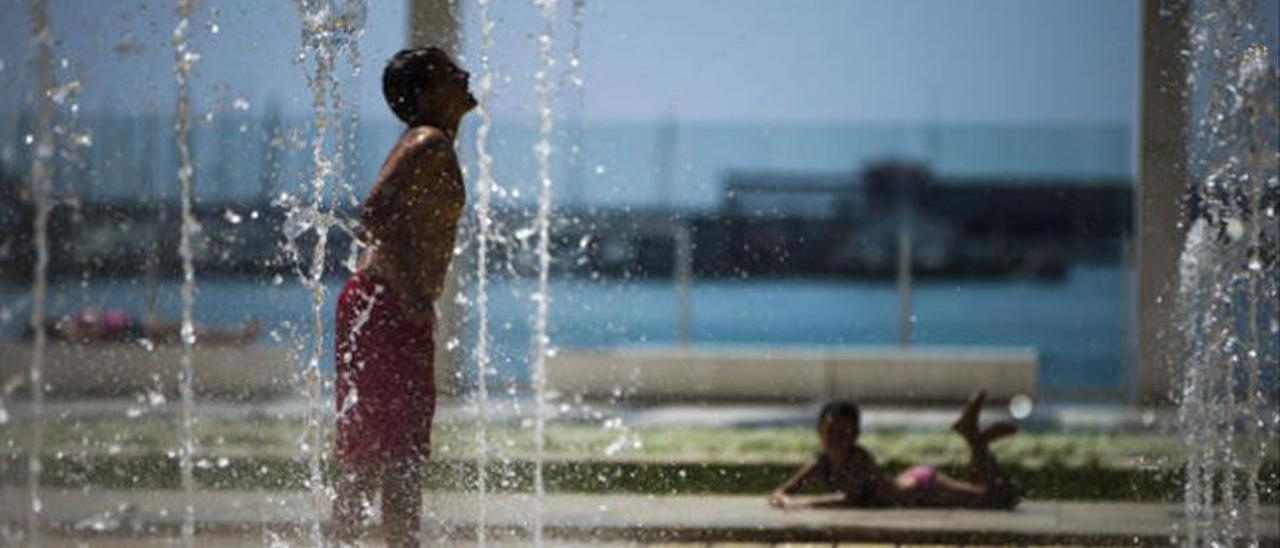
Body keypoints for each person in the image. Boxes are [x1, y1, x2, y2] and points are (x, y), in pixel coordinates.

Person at [329, 46, 474, 547]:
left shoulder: (428, 141)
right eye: (450, 70)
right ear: (428, 91)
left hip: (386, 305)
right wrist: (412, 289)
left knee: (393, 454)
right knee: (382, 455)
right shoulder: (428, 140)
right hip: (386, 304)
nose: (466, 73)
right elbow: (375, 208)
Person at [768, 390, 1021, 510]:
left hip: (923, 490)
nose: (835, 439)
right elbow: (783, 490)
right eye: (830, 432)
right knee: (982, 488)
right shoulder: (821, 463)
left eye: (843, 433)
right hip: (914, 484)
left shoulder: (859, 458)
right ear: (819, 432)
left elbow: (850, 499)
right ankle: (977, 440)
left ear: (856, 435)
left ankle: (976, 439)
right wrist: (782, 497)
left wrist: (802, 503)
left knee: (1001, 499)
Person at [35, 307, 259, 346]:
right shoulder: (74, 327)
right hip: (137, 331)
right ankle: (237, 334)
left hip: (136, 327)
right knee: (191, 332)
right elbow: (96, 331)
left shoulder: (75, 321)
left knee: (192, 331)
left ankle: (237, 334)